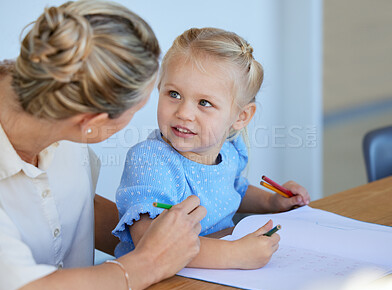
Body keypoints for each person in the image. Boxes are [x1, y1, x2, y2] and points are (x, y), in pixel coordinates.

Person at [0, 1, 207, 290]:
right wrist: (150, 261)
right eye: (136, 110)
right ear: (90, 121)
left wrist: (153, 235)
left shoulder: (62, 96)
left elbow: (74, 206)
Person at [113, 27, 311, 269]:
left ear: (241, 116)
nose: (184, 113)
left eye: (204, 102)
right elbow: (151, 244)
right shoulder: (151, 161)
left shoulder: (229, 151)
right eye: (174, 94)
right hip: (159, 280)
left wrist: (272, 202)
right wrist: (234, 254)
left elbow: (233, 190)